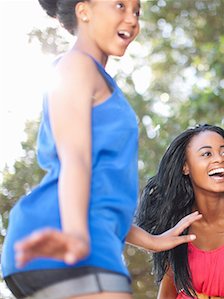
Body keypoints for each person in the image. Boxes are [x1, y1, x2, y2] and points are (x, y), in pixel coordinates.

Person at [1, 1, 201, 298]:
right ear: (84, 11)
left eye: (137, 11)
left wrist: (153, 240)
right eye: (120, 5)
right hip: (66, 236)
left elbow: (101, 194)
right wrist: (76, 236)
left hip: (86, 238)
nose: (131, 19)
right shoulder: (77, 65)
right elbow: (75, 159)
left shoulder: (95, 76)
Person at [135, 124, 224, 299]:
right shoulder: (178, 223)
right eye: (207, 154)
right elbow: (167, 294)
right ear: (185, 167)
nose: (219, 159)